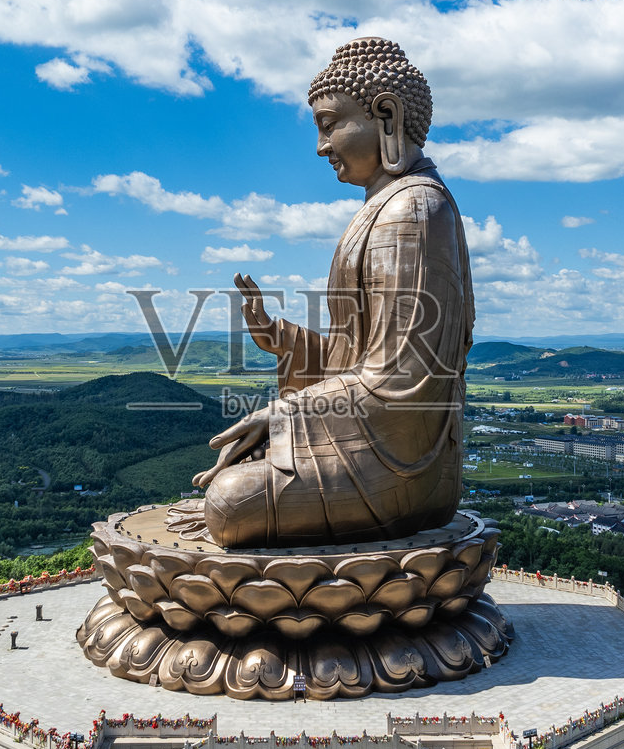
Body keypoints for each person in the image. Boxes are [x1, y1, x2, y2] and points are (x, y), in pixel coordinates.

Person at [171, 37, 474, 548]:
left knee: (230, 505)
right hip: (369, 445)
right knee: (236, 475)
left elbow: (404, 376)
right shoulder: (382, 207)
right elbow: (356, 353)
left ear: (386, 114)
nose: (321, 146)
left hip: (401, 466)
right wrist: (286, 338)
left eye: (330, 124)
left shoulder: (414, 211)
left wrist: (284, 412)